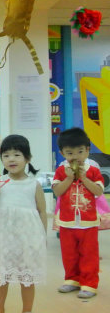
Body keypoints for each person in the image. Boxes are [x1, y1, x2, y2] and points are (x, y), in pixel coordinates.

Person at [0, 134, 46, 313]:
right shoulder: (1, 181)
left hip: (28, 237)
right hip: (4, 237)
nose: (11, 159)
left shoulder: (34, 184)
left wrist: (43, 236)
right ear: (1, 159)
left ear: (27, 158)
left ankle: (27, 310)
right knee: (1, 276)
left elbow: (42, 211)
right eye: (6, 155)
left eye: (17, 154)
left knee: (27, 278)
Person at [52, 127, 104, 299]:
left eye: (80, 152)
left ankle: (89, 283)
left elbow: (98, 191)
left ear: (87, 150)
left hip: (88, 222)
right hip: (67, 221)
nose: (76, 157)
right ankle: (72, 279)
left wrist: (84, 178)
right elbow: (58, 192)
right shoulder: (61, 171)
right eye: (70, 153)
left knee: (89, 253)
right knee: (69, 253)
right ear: (62, 153)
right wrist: (69, 177)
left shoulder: (93, 170)